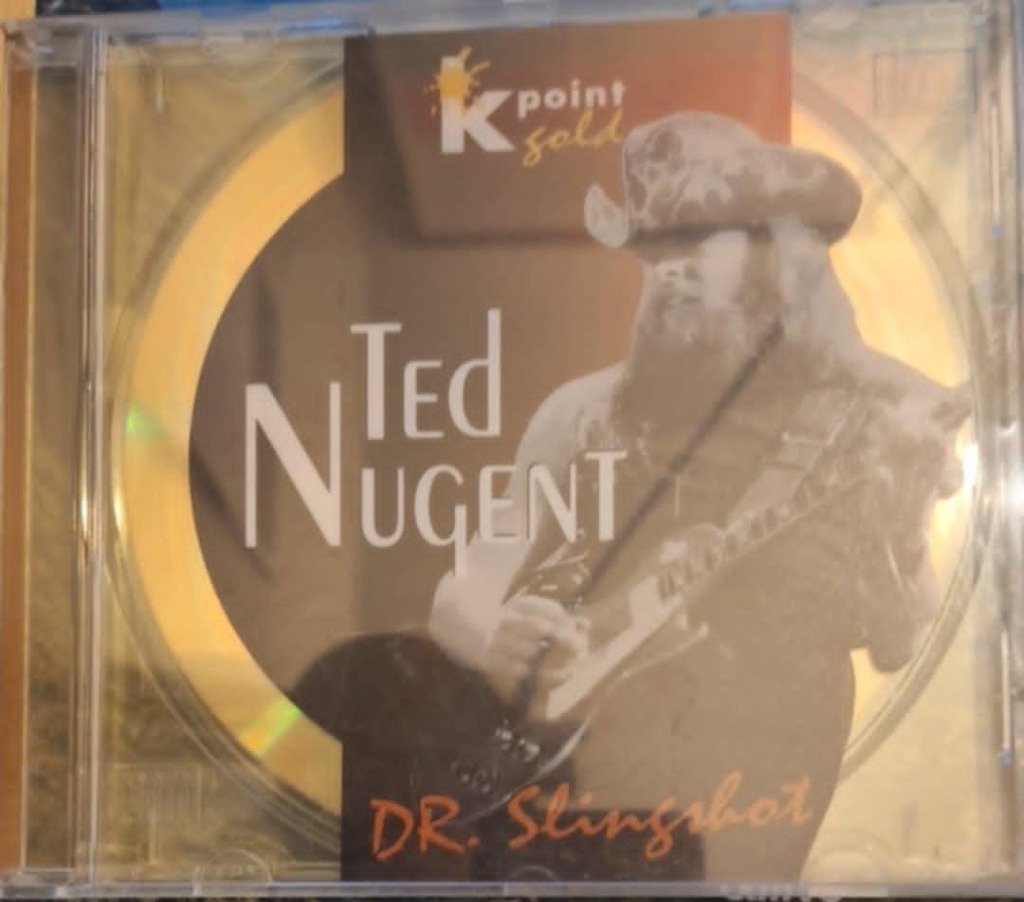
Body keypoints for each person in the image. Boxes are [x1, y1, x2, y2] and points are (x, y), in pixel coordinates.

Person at [424, 111, 970, 882]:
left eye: (697, 243)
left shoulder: (871, 419)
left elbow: (901, 635)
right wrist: (495, 640)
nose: (669, 269)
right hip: (578, 792)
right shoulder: (579, 414)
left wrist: (907, 532)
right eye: (653, 249)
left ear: (765, 256)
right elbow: (461, 592)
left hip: (756, 786)